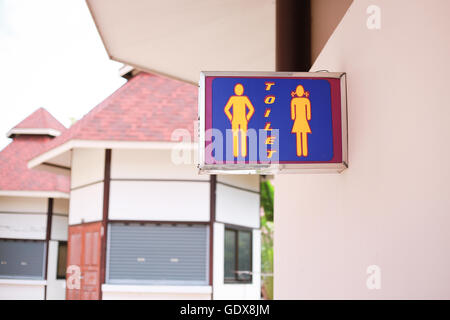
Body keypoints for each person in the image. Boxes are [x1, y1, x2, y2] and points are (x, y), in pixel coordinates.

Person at [224, 83, 255, 157]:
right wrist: (231, 117)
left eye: (240, 89)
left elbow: (251, 109)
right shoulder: (232, 98)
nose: (239, 91)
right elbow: (226, 109)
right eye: (237, 89)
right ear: (235, 90)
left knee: (243, 136)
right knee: (235, 136)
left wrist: (247, 118)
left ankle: (243, 153)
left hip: (243, 120)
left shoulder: (244, 98)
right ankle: (235, 153)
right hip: (235, 120)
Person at [291, 85, 311, 157]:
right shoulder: (294, 100)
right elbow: (293, 111)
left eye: (301, 91)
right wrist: (293, 117)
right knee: (298, 135)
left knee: (304, 135)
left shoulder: (306, 100)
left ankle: (305, 152)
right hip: (298, 119)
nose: (300, 92)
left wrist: (308, 117)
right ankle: (299, 152)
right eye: (298, 91)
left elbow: (308, 110)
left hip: (303, 119)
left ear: (303, 92)